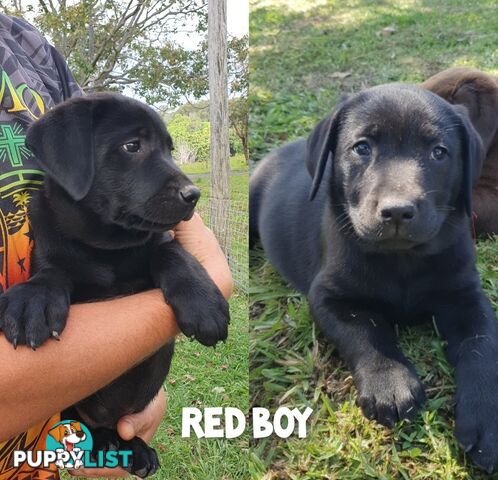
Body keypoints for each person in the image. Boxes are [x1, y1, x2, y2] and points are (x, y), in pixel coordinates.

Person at [0, 14, 232, 480]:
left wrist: (179, 264)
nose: (184, 185)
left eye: (162, 150)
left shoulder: (23, 42)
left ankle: (103, 434)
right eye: (135, 147)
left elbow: (87, 119)